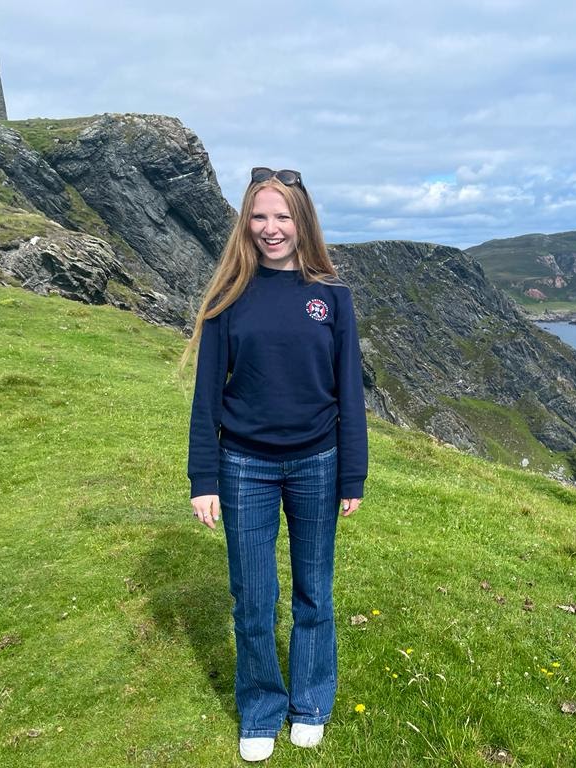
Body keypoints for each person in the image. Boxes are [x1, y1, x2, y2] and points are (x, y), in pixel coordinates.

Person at [183, 167, 368, 762]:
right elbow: (207, 395)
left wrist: (352, 474)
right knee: (253, 598)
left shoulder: (332, 296)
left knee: (315, 593)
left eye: (282, 217)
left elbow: (349, 393)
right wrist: (203, 478)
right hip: (244, 466)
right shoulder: (227, 298)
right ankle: (261, 709)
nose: (270, 229)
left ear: (302, 222)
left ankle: (310, 703)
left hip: (318, 461)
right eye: (259, 217)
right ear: (247, 223)